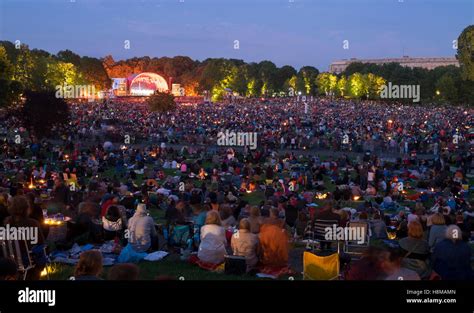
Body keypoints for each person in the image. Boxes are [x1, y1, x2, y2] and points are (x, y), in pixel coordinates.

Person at [4, 195, 46, 280]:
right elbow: (41, 242)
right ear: (26, 208)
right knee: (40, 252)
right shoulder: (33, 223)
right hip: (27, 261)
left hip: (8, 260)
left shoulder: (5, 223)